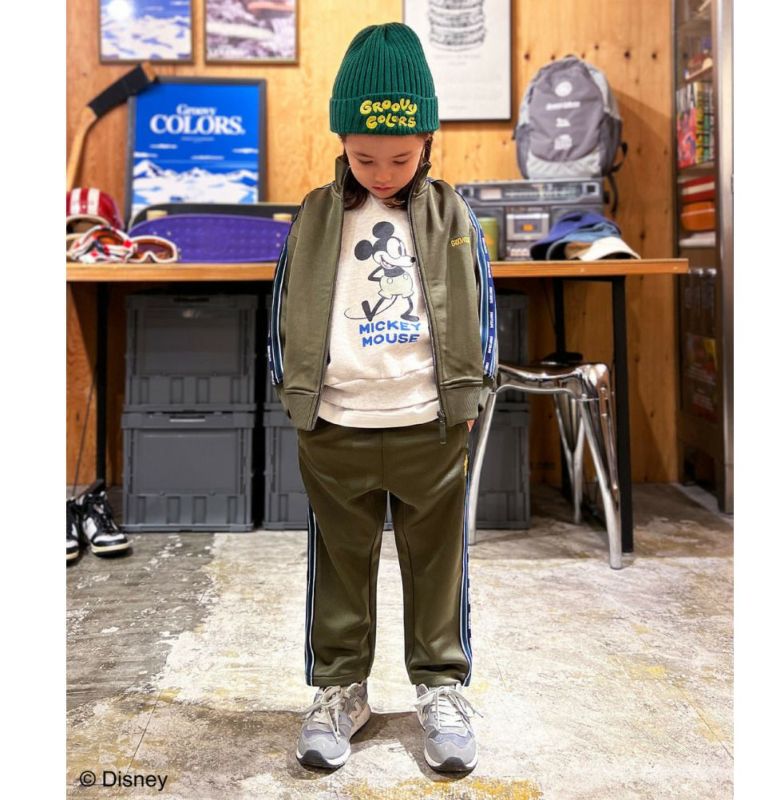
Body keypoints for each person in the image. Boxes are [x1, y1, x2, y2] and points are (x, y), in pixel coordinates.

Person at [267, 22, 498, 773]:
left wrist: (471, 394)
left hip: (429, 424)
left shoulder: (452, 215)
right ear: (341, 141)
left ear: (428, 140)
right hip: (335, 424)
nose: (384, 173)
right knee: (340, 563)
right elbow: (283, 307)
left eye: (401, 157)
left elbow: (481, 308)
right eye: (365, 158)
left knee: (438, 564)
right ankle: (341, 689)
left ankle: (441, 688)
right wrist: (294, 394)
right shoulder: (316, 214)